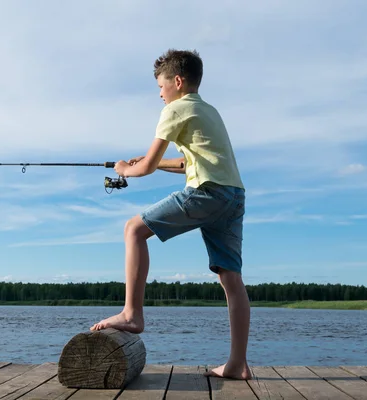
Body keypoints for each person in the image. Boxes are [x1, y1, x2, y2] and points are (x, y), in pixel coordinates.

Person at [89, 49, 251, 380]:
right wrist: (146, 163)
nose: (160, 94)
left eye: (161, 87)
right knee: (231, 279)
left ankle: (132, 314)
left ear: (177, 82)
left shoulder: (174, 109)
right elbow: (185, 163)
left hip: (206, 193)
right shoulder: (209, 111)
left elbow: (146, 166)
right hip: (232, 196)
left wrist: (125, 168)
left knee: (134, 229)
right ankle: (238, 364)